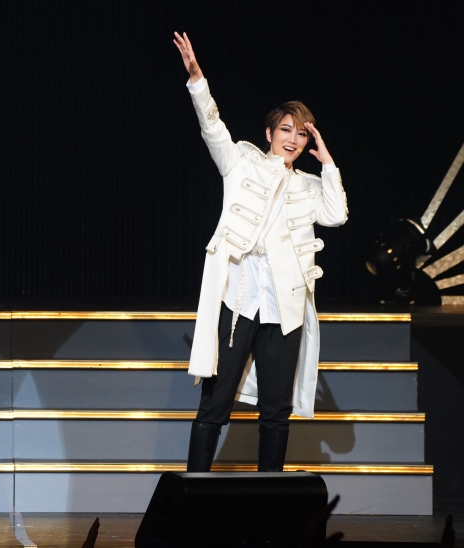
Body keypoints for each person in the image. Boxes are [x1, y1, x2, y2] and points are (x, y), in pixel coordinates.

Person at [172, 33, 348, 472]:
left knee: (275, 411)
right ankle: (195, 487)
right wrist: (197, 80)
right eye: (286, 130)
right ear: (269, 133)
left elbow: (337, 214)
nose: (292, 139)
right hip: (239, 303)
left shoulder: (308, 186)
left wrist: (328, 163)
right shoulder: (241, 162)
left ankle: (270, 498)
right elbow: (213, 129)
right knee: (215, 403)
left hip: (283, 310)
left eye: (301, 134)